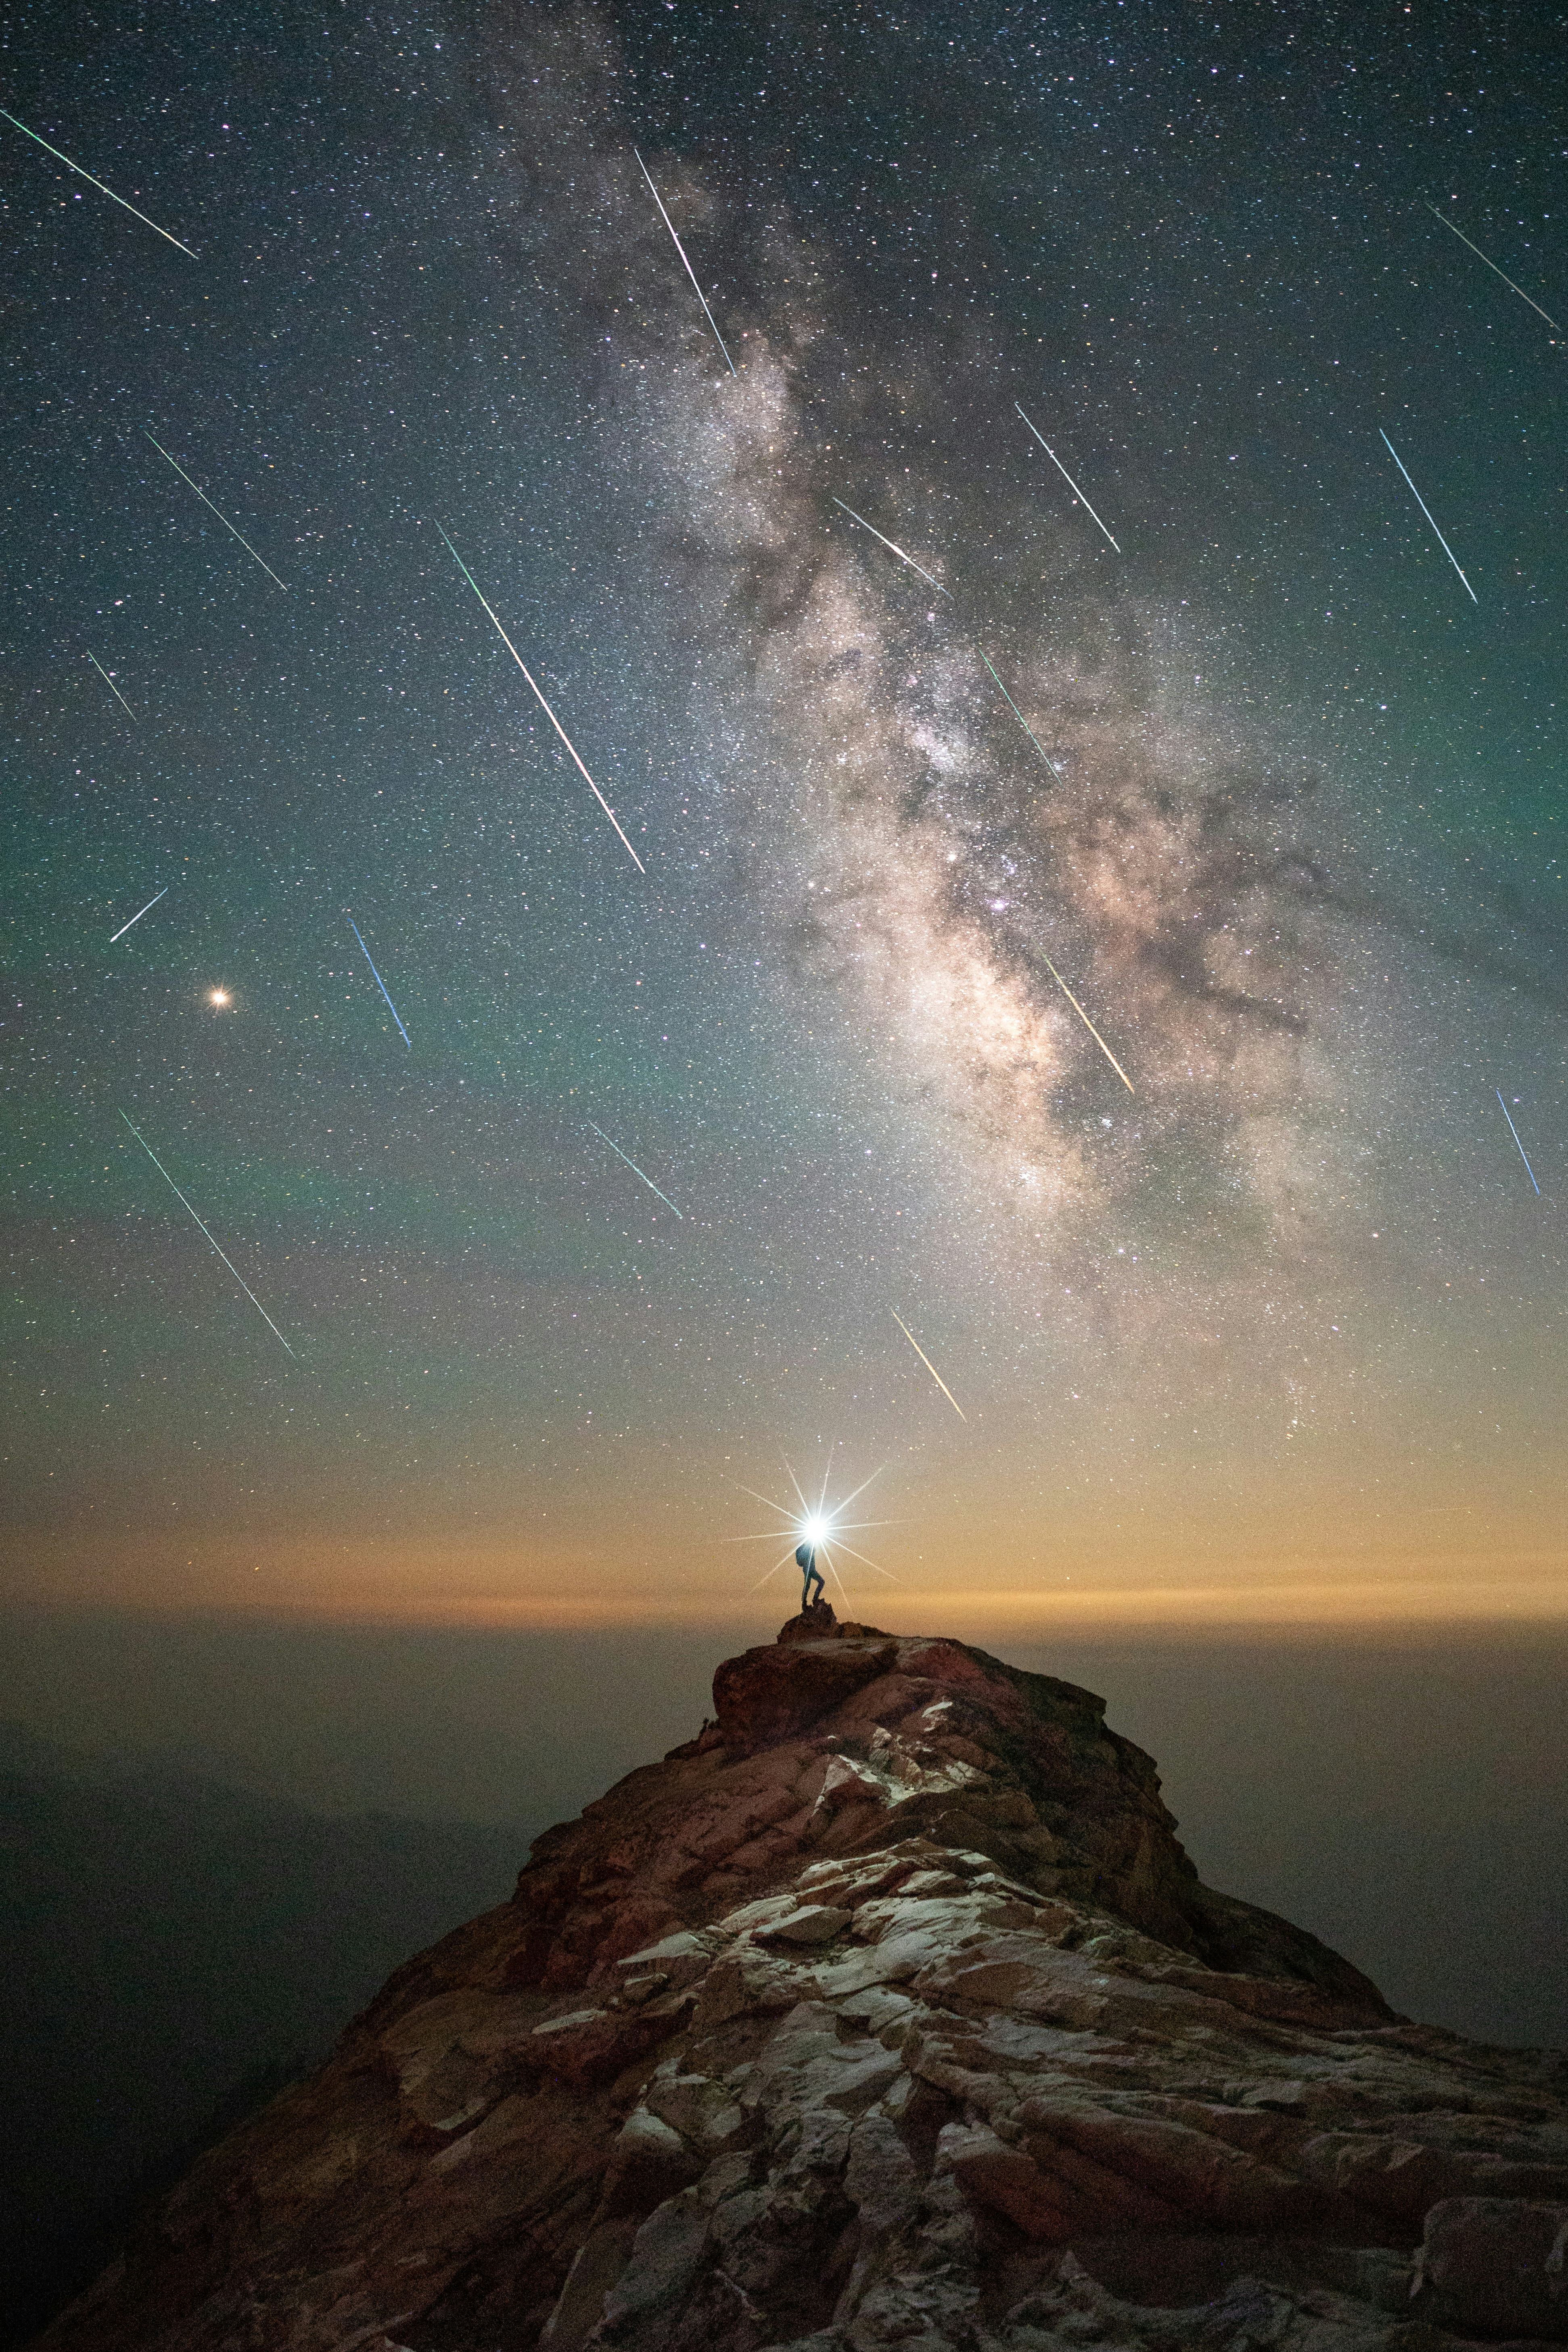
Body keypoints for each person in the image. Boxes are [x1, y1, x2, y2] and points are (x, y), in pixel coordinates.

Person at [795, 1539, 825, 1611]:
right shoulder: (804, 1549)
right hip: (808, 1570)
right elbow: (800, 1562)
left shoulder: (809, 1548)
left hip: (811, 1570)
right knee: (814, 1584)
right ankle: (811, 1601)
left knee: (810, 1585)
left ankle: (809, 1602)